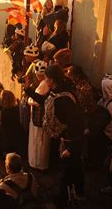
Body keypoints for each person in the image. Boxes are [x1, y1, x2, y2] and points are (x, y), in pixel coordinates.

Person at [24, 65, 86, 205]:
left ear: (52, 79)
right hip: (65, 139)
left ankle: (62, 201)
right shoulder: (57, 93)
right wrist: (28, 89)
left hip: (70, 141)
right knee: (73, 170)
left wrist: (70, 148)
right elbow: (43, 101)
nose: (45, 80)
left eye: (46, 77)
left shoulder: (64, 99)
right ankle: (77, 195)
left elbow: (77, 125)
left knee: (66, 172)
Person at [27, 61, 51, 170]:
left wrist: (29, 100)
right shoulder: (46, 83)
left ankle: (37, 164)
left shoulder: (43, 84)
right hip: (41, 117)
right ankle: (39, 163)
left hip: (39, 118)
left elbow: (37, 101)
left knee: (38, 142)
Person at [0, 90, 27, 156]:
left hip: (7, 144)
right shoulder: (17, 109)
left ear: (2, 100)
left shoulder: (2, 113)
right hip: (19, 142)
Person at [97, 74, 112, 143]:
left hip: (109, 135)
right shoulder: (104, 99)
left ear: (107, 89)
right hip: (103, 130)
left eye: (103, 88)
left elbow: (103, 121)